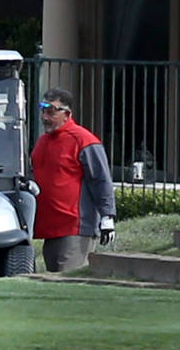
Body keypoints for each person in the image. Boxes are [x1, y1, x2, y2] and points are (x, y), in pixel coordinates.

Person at [31, 87, 116, 272]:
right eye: (43, 111)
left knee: (66, 281)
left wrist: (107, 216)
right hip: (49, 228)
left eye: (51, 111)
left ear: (66, 113)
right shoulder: (43, 141)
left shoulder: (84, 140)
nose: (45, 117)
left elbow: (101, 180)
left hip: (75, 228)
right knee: (53, 284)